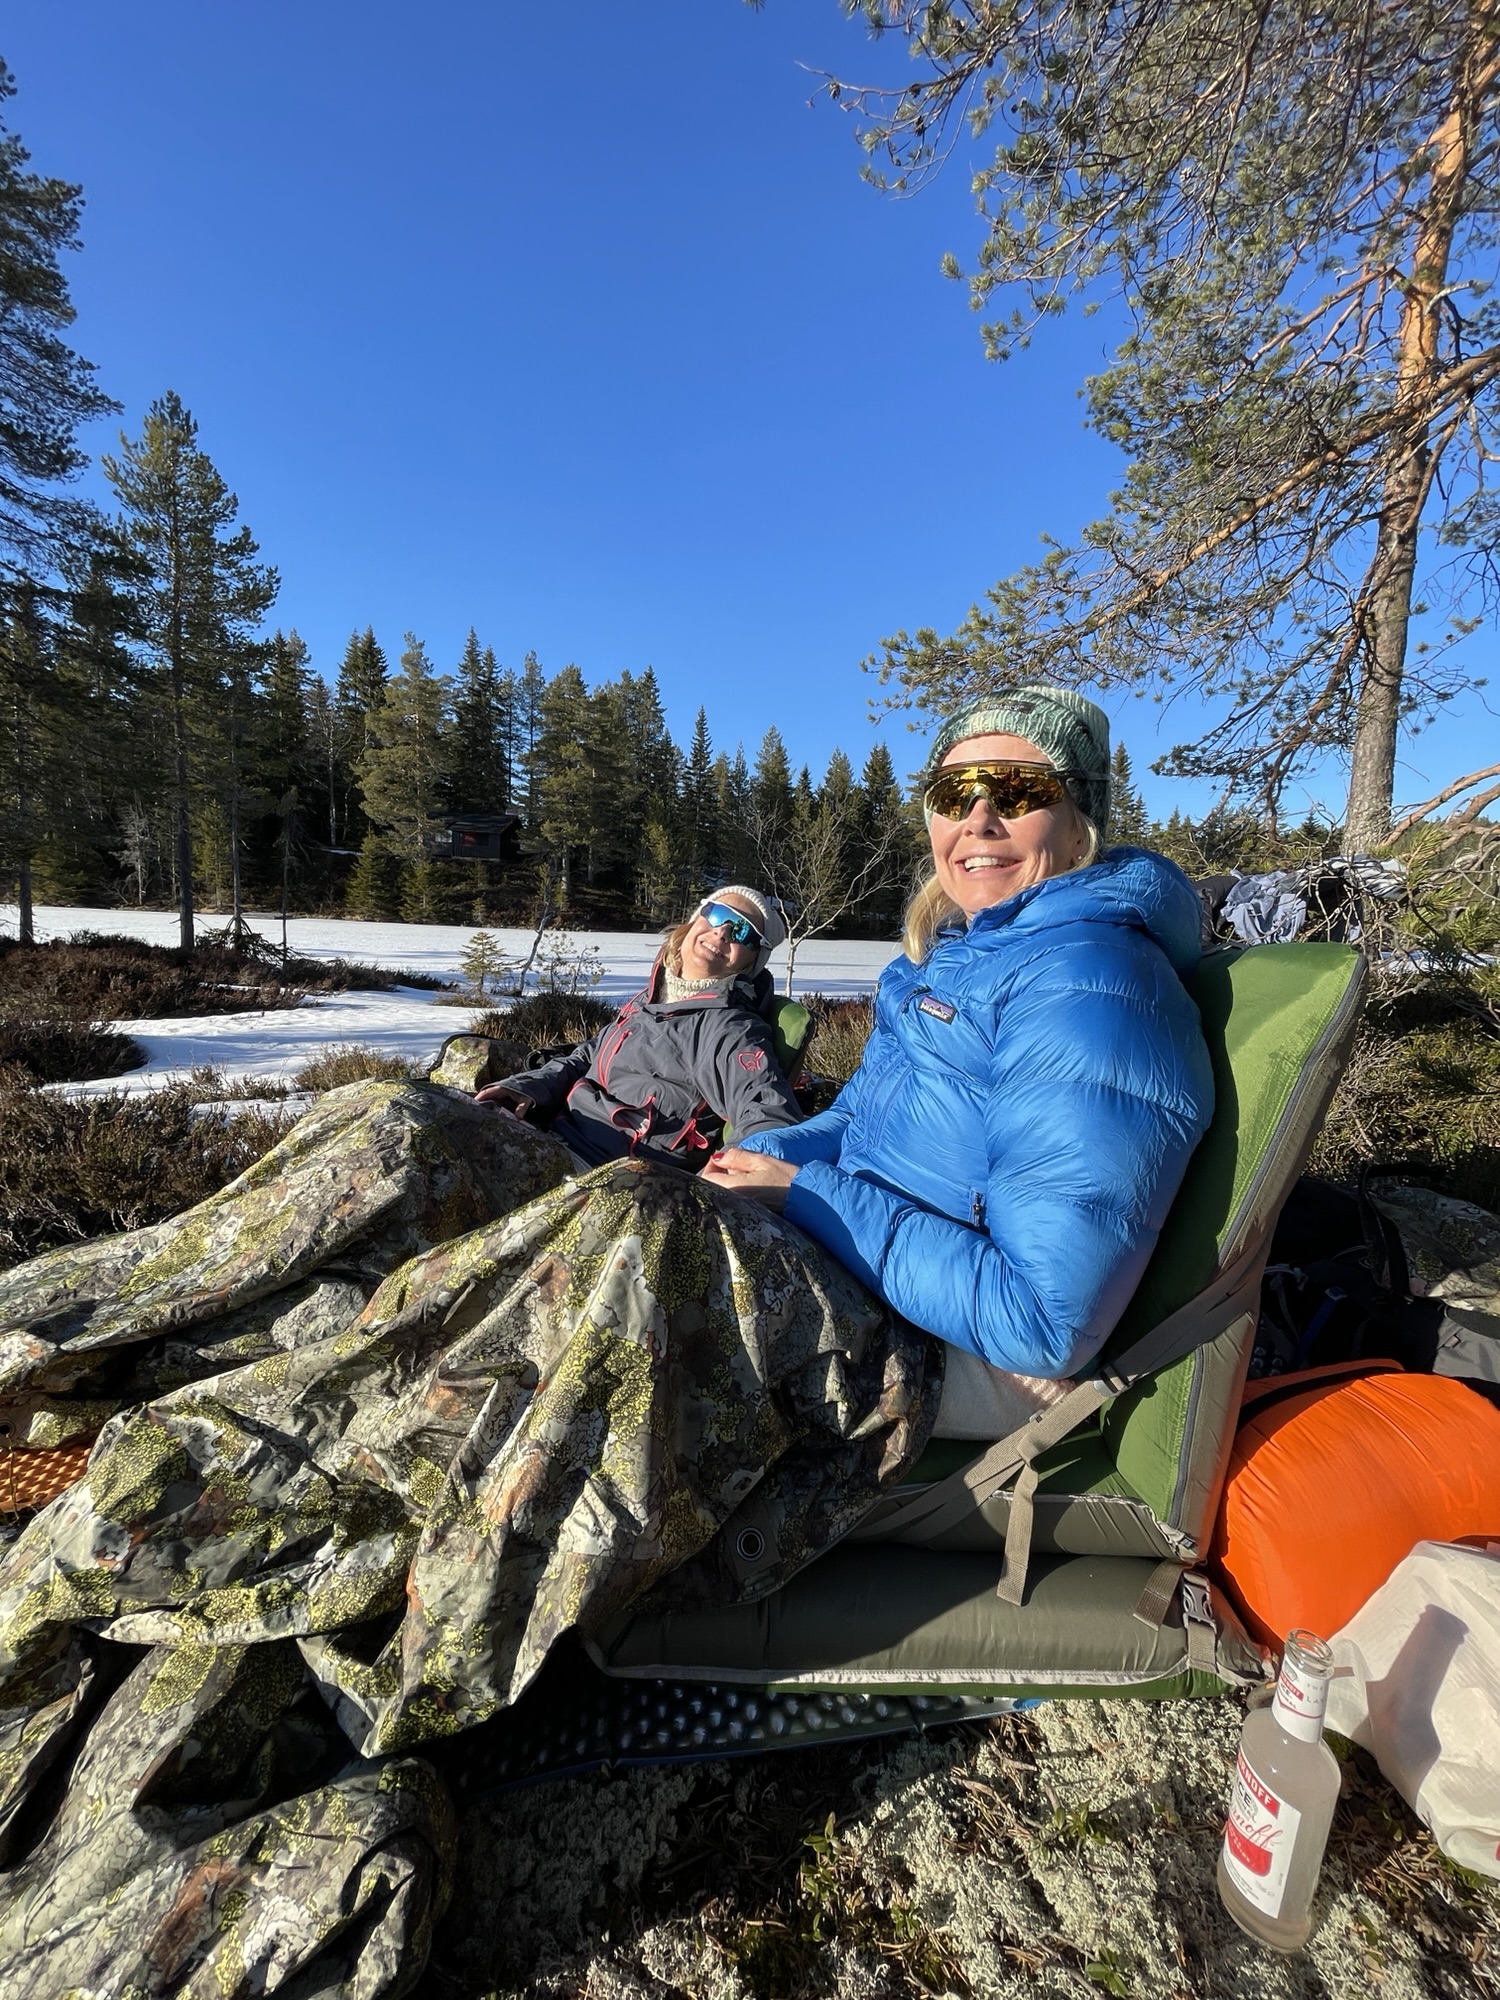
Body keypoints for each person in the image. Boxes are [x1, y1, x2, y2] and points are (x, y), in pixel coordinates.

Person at [705, 684, 1215, 1434]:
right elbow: (856, 1122)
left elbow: (1041, 1322)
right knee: (620, 1212)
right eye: (954, 793)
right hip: (866, 1275)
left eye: (1018, 788)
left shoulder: (1089, 981)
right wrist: (765, 1160)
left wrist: (806, 1195)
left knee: (633, 1261)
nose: (979, 817)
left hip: (967, 1358)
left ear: (1080, 821)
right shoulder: (949, 959)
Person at [474, 886, 802, 1169]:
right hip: (554, 1131)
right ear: (697, 919)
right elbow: (590, 1055)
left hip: (601, 1176)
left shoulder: (728, 1028)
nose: (722, 932)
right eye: (717, 914)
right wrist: (528, 1088)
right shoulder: (653, 996)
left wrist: (726, 1176)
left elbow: (768, 1114)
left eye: (743, 932)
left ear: (751, 961)